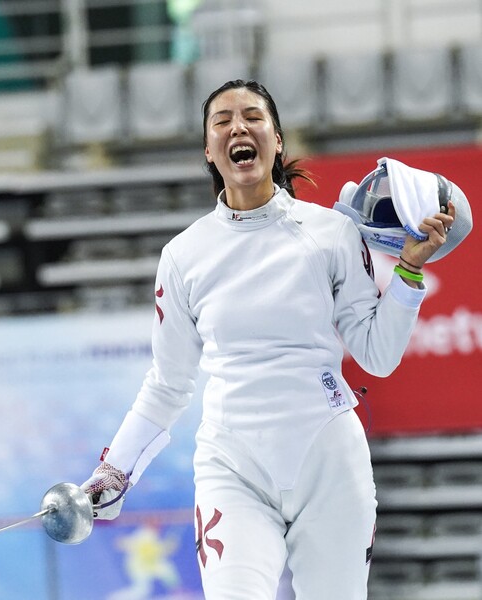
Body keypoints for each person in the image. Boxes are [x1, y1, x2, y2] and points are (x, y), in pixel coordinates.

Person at [81, 79, 456, 600]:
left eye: (253, 117)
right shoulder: (184, 255)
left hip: (328, 463)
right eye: (223, 120)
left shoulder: (332, 234)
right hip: (232, 466)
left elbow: (378, 354)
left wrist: (410, 271)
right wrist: (115, 469)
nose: (239, 126)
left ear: (277, 140)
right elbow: (168, 384)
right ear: (209, 151)